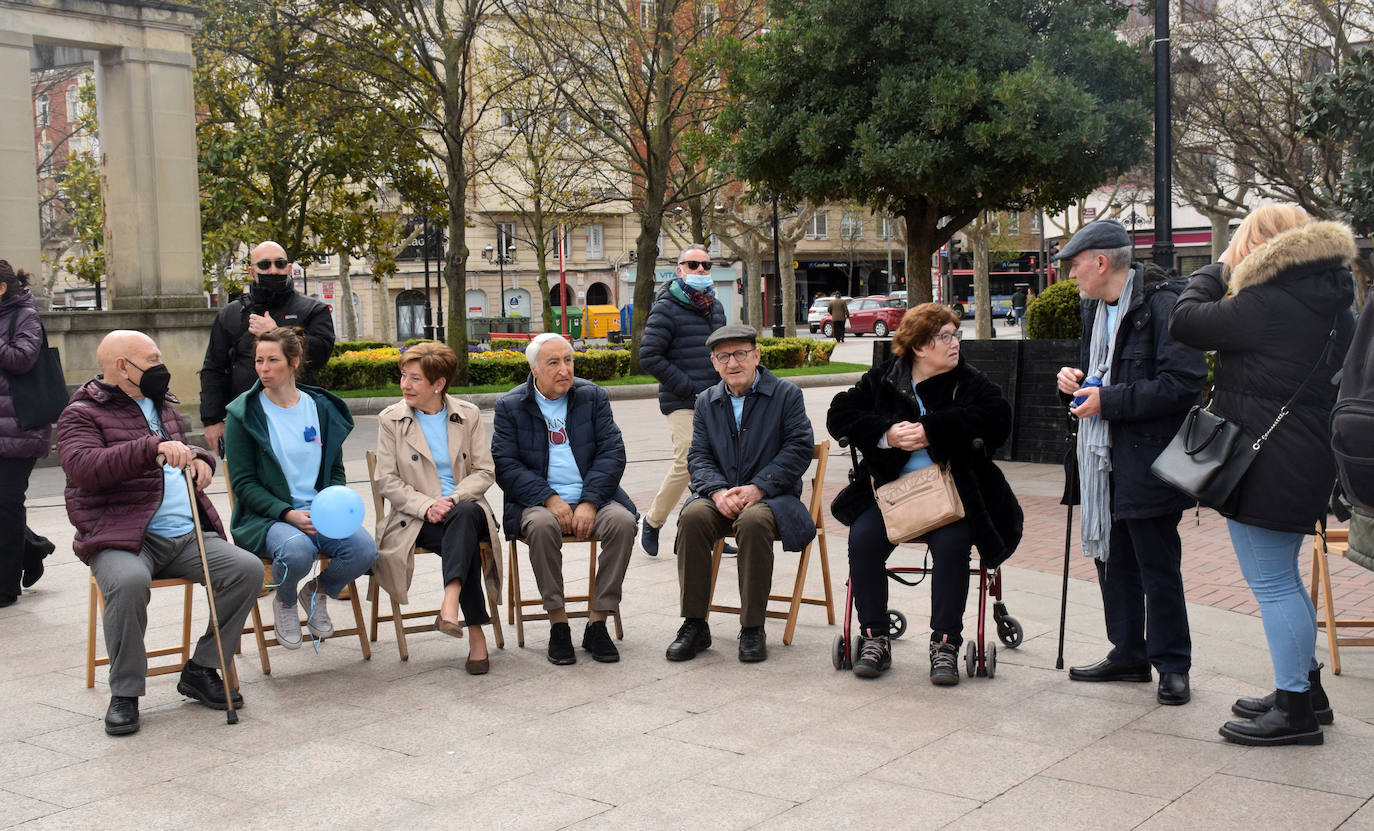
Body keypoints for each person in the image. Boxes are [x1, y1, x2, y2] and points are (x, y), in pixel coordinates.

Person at [1170, 206, 1356, 746]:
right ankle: (1305, 692)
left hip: (1266, 457)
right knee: (1285, 577)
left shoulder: (1268, 299)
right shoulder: (1331, 297)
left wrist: (1218, 265)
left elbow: (1185, 321)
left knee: (1273, 582)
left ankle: (1294, 710)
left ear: (1259, 245)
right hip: (1303, 452)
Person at [57, 330, 262, 736]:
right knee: (130, 582)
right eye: (152, 360)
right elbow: (83, 467)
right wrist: (147, 448)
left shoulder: (163, 404)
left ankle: (202, 668)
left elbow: (177, 447)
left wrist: (200, 458)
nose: (160, 367)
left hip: (184, 532)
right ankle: (126, 693)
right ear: (122, 367)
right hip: (121, 535)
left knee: (247, 569)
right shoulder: (81, 413)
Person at [1053, 219, 1207, 705]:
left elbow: (1183, 385)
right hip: (1103, 463)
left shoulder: (1163, 306)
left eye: (1074, 266)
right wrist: (1072, 383)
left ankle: (1172, 665)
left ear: (1101, 262)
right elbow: (1097, 378)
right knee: (1112, 561)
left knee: (1158, 566)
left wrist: (1109, 400)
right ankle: (1128, 652)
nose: (1071, 276)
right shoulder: (1095, 312)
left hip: (1149, 460)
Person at [826, 303, 1022, 683]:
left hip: (955, 496)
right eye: (945, 336)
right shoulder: (884, 379)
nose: (955, 344)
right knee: (862, 538)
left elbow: (999, 419)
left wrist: (934, 428)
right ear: (919, 346)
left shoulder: (969, 382)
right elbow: (840, 413)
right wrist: (885, 433)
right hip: (892, 496)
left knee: (952, 545)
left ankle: (945, 643)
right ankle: (874, 636)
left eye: (956, 335)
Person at [665, 324, 815, 663]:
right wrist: (717, 492)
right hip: (720, 495)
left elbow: (799, 447)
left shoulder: (786, 395)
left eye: (740, 354)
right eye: (723, 356)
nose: (733, 363)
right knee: (691, 516)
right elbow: (698, 456)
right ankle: (694, 623)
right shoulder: (706, 400)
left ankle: (752, 626)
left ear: (757, 356)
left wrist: (759, 486)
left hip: (773, 497)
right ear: (714, 363)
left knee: (753, 520)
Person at [223, 327, 376, 650]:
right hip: (267, 518)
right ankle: (287, 600)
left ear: (294, 362)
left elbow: (334, 469)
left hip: (319, 511)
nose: (263, 368)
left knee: (364, 549)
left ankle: (318, 592)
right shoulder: (244, 413)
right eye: (259, 361)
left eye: (272, 360)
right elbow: (244, 483)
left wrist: (327, 507)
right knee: (297, 551)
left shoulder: (319, 408)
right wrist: (287, 513)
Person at [492, 333, 638, 665]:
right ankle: (558, 623)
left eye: (568, 360)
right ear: (533, 368)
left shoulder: (591, 397)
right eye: (553, 362)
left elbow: (612, 452)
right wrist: (548, 498)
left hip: (594, 498)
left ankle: (597, 621)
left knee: (623, 522)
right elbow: (506, 465)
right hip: (538, 504)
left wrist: (589, 501)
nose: (564, 370)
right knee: (542, 528)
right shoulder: (511, 406)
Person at [374, 343, 502, 675]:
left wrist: (453, 499)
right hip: (416, 519)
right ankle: (474, 634)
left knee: (463, 517)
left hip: (463, 506)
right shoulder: (391, 420)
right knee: (465, 536)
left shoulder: (467, 414)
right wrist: (427, 505)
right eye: (404, 376)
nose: (405, 385)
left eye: (415, 378)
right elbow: (386, 479)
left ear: (439, 384)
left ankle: (450, 604)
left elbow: (484, 471)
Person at [200, 241, 335, 455]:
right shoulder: (230, 314)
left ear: (289, 269)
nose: (273, 270)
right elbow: (213, 369)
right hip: (247, 418)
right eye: (265, 265)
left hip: (299, 417)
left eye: (279, 264)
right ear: (252, 272)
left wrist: (278, 332)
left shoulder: (313, 309)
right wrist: (212, 419)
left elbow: (321, 354)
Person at [638, 244, 727, 558]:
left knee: (718, 463)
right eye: (693, 265)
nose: (701, 270)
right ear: (679, 270)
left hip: (716, 399)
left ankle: (709, 528)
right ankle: (653, 521)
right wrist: (688, 387)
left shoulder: (714, 306)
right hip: (682, 400)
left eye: (706, 265)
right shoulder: (666, 306)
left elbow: (723, 350)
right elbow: (649, 356)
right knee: (688, 461)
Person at [0, 261, 56, 606]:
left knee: (6, 506)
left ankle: (5, 588)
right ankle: (32, 547)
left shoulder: (25, 316)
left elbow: (22, 358)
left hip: (19, 428)